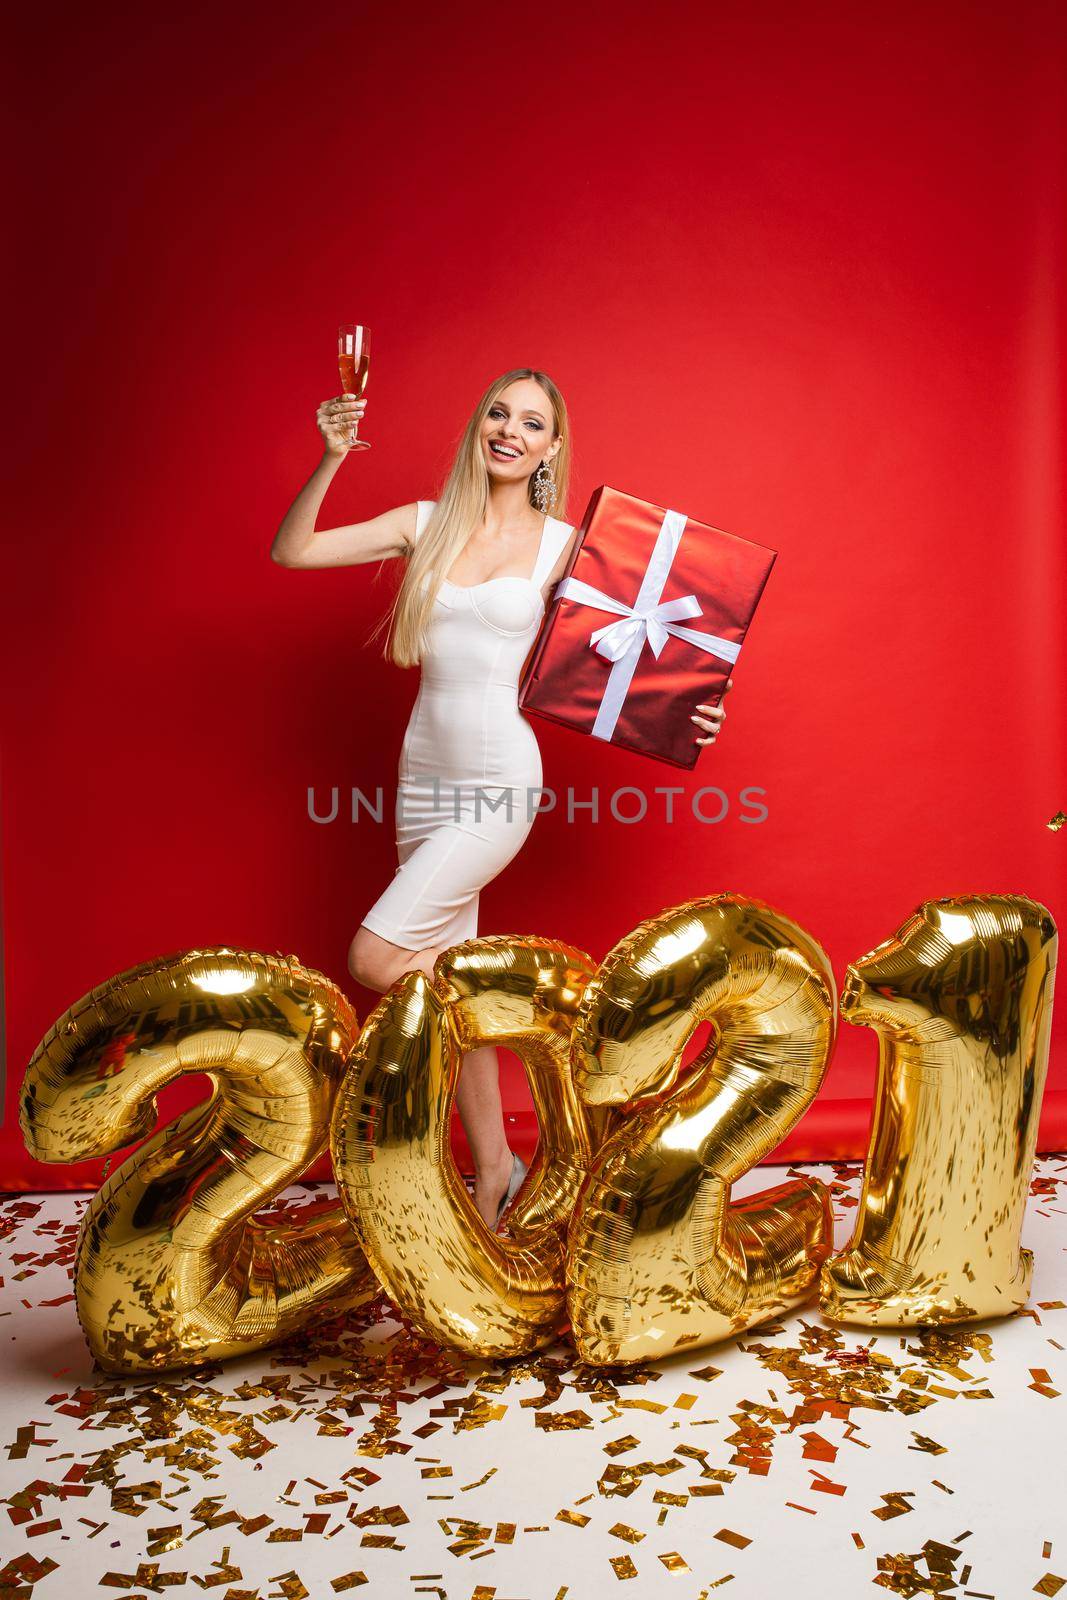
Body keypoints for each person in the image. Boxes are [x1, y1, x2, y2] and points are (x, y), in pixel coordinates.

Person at [270, 368, 730, 1228]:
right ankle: (495, 1167)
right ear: (477, 426)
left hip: (497, 782)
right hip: (420, 779)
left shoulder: (566, 548)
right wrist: (332, 456)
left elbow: (649, 643)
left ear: (551, 448)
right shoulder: (422, 526)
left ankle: (551, 1058)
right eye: (498, 413)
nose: (510, 431)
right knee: (446, 969)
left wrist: (695, 704)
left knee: (379, 960)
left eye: (531, 422)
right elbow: (292, 551)